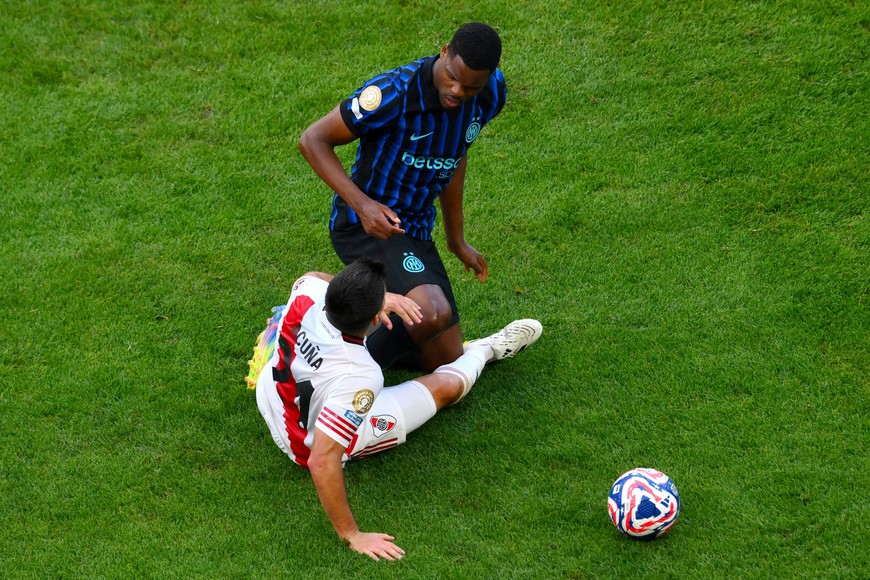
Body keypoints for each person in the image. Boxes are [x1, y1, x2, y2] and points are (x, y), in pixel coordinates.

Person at [247, 257, 542, 561]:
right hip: (300, 443)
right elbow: (322, 459)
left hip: (270, 395)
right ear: (376, 317)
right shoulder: (360, 375)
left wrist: (377, 298)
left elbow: (310, 275)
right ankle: (484, 350)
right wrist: (352, 534)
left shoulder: (309, 291)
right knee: (446, 389)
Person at [298, 22, 507, 373]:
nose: (457, 91)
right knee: (431, 312)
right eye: (452, 77)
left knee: (445, 358)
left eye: (471, 86)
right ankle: (328, 371)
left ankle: (347, 311)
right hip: (366, 225)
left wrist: (457, 240)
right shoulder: (393, 92)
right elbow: (313, 139)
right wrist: (362, 206)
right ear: (444, 52)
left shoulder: (490, 95)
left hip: (415, 230)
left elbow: (455, 156)